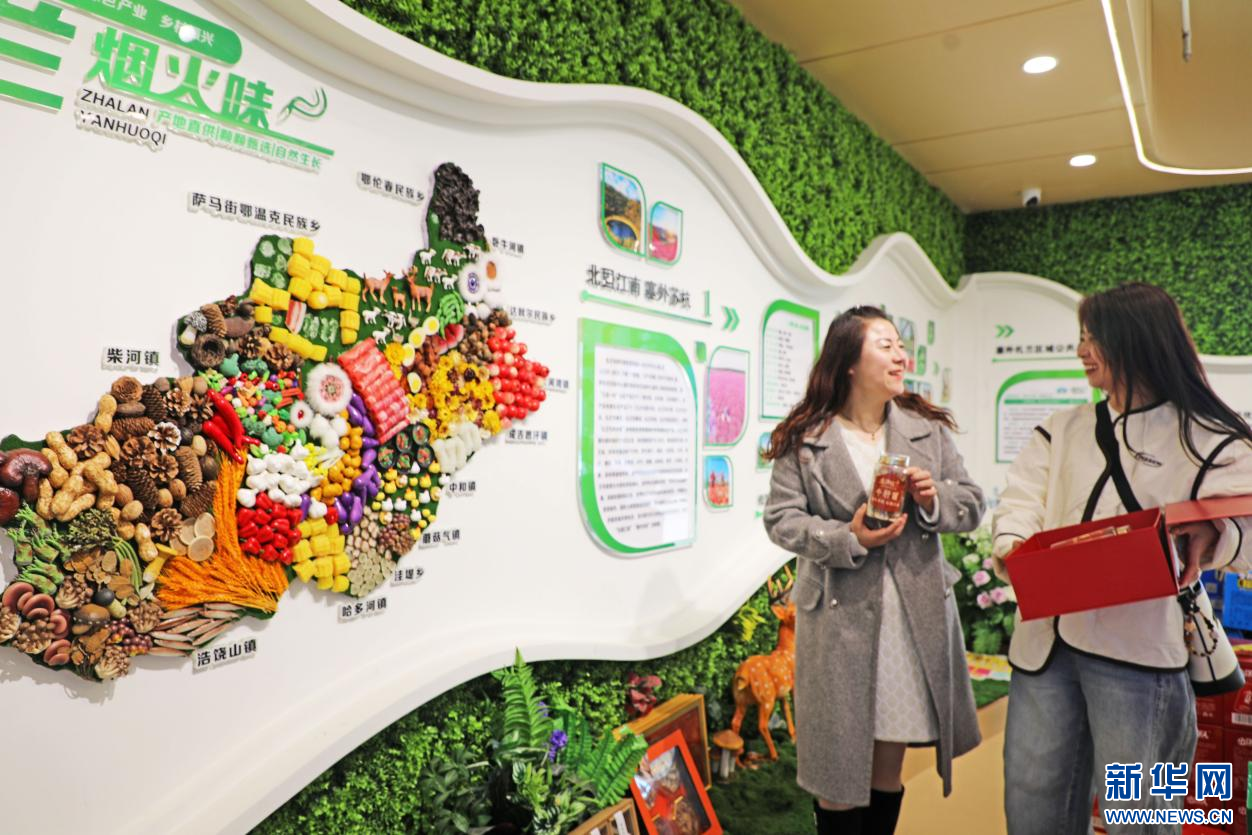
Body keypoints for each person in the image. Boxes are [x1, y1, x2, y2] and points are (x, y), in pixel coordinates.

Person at [993, 283, 1252, 834]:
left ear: (1135, 340)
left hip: (1141, 653)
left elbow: (1244, 526)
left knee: (1141, 814)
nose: (1081, 351)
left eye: (1093, 338)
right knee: (1033, 800)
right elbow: (1020, 500)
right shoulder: (1061, 428)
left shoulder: (1208, 436)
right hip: (1044, 649)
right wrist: (1012, 546)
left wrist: (1217, 534)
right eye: (1081, 337)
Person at [763, 306, 985, 835]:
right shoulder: (806, 438)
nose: (900, 356)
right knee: (837, 774)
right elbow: (781, 520)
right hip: (839, 618)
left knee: (888, 763)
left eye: (900, 346)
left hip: (911, 619)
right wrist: (849, 538)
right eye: (885, 345)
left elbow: (971, 504)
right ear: (848, 361)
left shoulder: (926, 430)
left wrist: (933, 498)